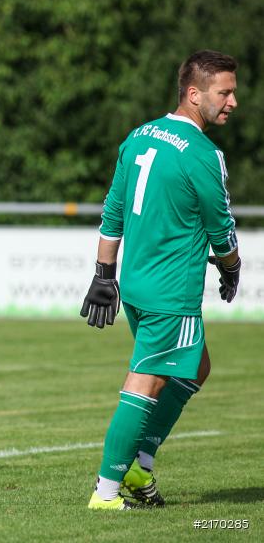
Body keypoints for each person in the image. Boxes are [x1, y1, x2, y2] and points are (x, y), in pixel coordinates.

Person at [81, 50, 241, 510]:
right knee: (146, 380)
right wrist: (232, 266)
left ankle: (139, 465)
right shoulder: (203, 154)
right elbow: (220, 226)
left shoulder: (139, 136)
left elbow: (113, 211)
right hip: (171, 292)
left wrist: (104, 275)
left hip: (134, 285)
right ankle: (107, 493)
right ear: (194, 94)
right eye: (224, 93)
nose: (232, 102)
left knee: (197, 366)